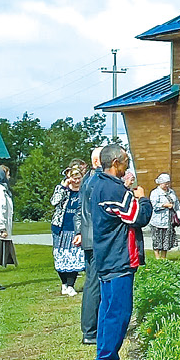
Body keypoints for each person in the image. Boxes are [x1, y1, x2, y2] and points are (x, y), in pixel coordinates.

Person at [88, 144, 153, 360]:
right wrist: (143, 198)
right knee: (118, 312)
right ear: (115, 162)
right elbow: (137, 217)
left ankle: (104, 358)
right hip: (118, 258)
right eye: (126, 160)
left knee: (107, 311)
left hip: (106, 257)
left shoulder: (98, 184)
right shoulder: (114, 190)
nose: (128, 164)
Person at [77, 146, 103, 344]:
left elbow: (80, 209)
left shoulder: (88, 179)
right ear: (96, 162)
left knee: (92, 282)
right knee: (94, 284)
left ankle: (92, 328)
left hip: (89, 236)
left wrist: (80, 231)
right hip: (95, 238)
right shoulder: (96, 180)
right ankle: (90, 331)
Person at [50, 164, 86, 295]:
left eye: (79, 178)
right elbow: (54, 202)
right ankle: (64, 283)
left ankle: (71, 285)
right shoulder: (62, 189)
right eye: (74, 178)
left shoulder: (84, 190)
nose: (76, 181)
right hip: (61, 227)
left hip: (75, 229)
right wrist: (63, 187)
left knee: (74, 257)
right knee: (60, 256)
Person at [146, 174, 180, 260]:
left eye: (168, 183)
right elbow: (153, 205)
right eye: (165, 183)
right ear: (160, 183)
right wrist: (165, 205)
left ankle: (164, 257)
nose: (167, 185)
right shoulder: (155, 193)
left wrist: (179, 213)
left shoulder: (171, 192)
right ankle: (157, 258)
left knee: (166, 239)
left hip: (168, 220)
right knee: (157, 239)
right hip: (158, 220)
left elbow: (176, 203)